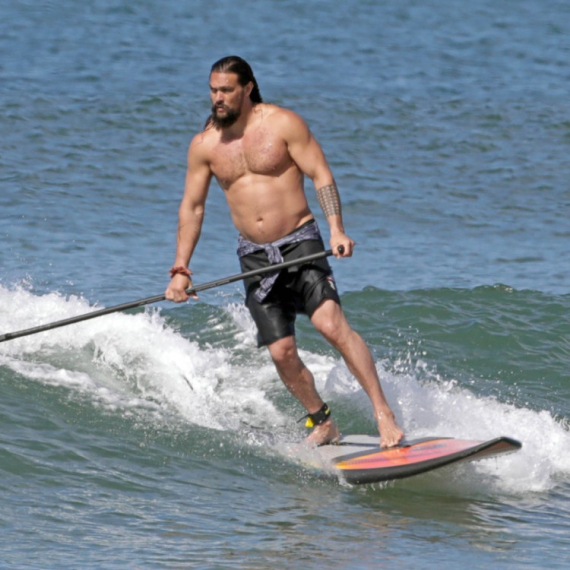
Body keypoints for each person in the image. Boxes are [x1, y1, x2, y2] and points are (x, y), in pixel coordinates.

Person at [165, 55, 404, 448]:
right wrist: (181, 269)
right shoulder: (205, 146)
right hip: (255, 257)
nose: (217, 98)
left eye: (226, 90)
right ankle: (322, 421)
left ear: (248, 88)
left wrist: (337, 229)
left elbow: (320, 174)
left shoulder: (283, 125)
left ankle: (384, 413)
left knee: (331, 325)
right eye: (213, 90)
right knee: (281, 352)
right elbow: (192, 207)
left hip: (300, 241)